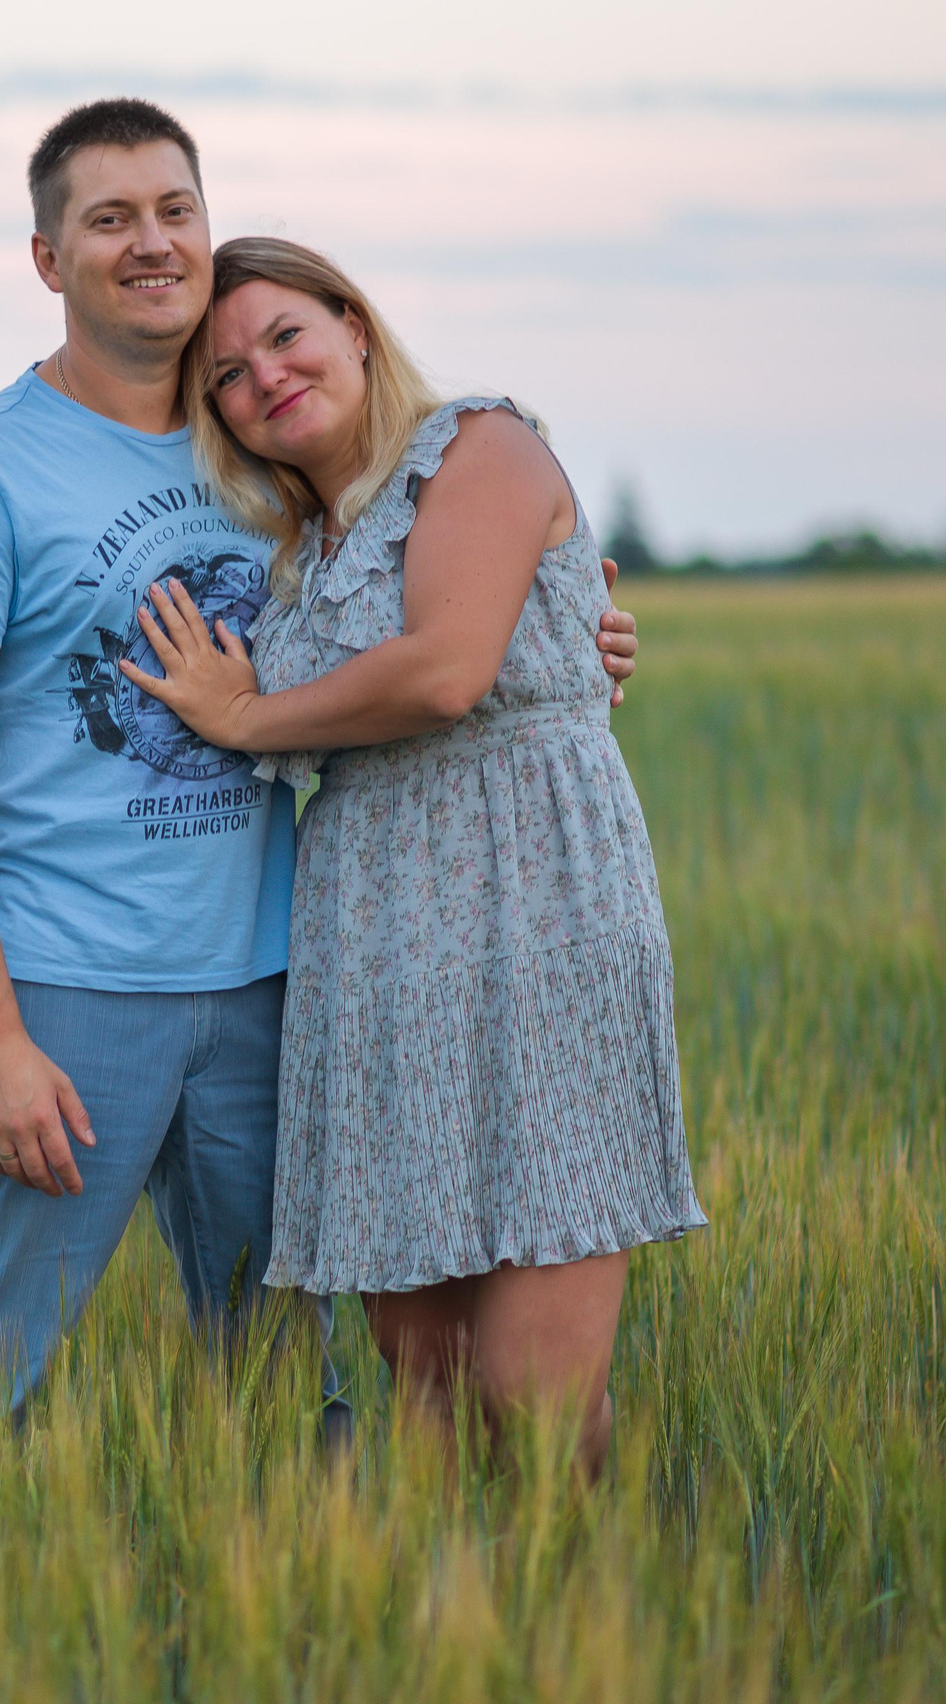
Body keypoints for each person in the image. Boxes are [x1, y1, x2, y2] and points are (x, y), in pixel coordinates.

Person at [0, 101, 641, 1472]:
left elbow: (434, 620)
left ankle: (285, 1629)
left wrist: (579, 638)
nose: (152, 242)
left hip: (279, 986)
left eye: (175, 208)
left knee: (288, 1394)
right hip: (70, 990)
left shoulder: (263, 459)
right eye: (108, 218)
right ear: (49, 258)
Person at [119, 237, 706, 1479]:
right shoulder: (291, 557)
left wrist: (247, 718)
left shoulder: (478, 445)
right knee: (427, 1389)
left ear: (354, 325)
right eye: (227, 373)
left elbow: (445, 672)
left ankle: (603, 1632)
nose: (265, 377)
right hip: (374, 950)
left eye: (286, 336)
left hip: (538, 909)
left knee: (531, 1399)